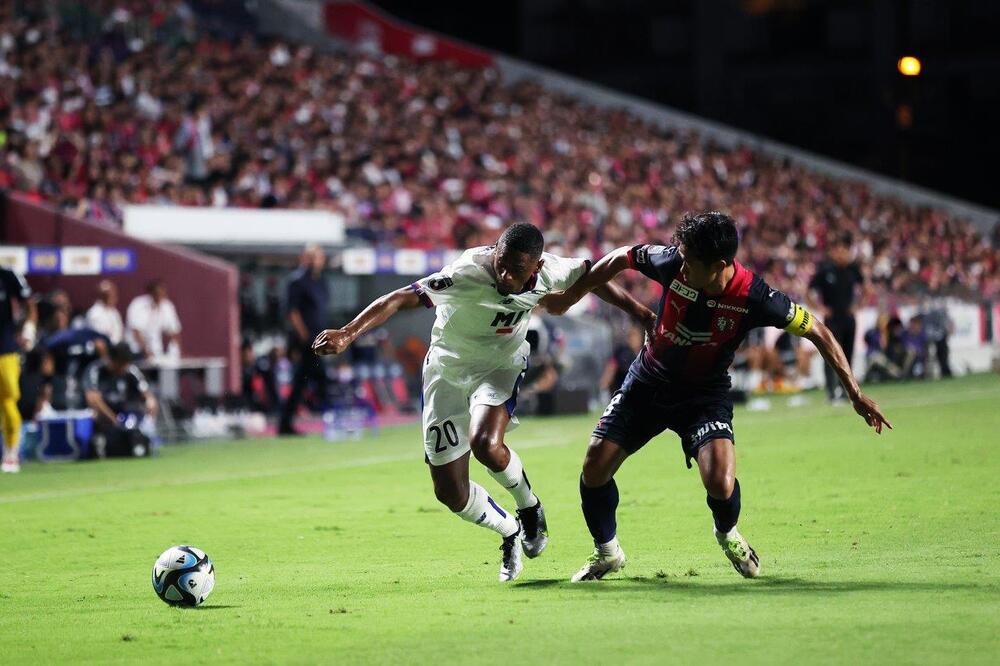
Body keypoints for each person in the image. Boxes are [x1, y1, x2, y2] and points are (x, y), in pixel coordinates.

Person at [543, 212, 890, 582]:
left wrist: (854, 393)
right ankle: (607, 552)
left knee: (721, 483)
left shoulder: (755, 297)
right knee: (594, 467)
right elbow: (620, 257)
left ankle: (727, 533)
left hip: (703, 396)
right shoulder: (672, 261)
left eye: (689, 262)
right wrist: (572, 296)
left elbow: (818, 330)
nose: (681, 266)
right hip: (648, 382)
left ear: (719, 266)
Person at [312, 223, 654, 582]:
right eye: (501, 264)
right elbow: (399, 298)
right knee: (450, 492)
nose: (505, 275)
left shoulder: (552, 270)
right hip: (446, 371)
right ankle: (508, 530)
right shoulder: (467, 272)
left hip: (500, 366)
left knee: (486, 444)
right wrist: (347, 332)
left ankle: (529, 507)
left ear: (536, 267)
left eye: (516, 270)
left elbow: (593, 275)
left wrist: (643, 314)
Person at [279, 244, 330, 435]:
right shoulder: (297, 281)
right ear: (306, 258)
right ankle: (325, 413)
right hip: (306, 342)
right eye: (315, 256)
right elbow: (292, 312)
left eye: (320, 256)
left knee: (303, 381)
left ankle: (287, 422)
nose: (319, 259)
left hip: (319, 340)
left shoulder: (321, 281)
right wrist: (305, 337)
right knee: (313, 378)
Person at [808, 234, 864, 402]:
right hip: (832, 320)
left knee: (848, 355)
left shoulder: (853, 269)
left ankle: (847, 391)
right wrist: (820, 308)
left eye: (845, 250)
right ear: (833, 252)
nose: (842, 254)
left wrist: (858, 305)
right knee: (831, 354)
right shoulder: (825, 270)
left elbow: (866, 288)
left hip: (848, 318)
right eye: (839, 250)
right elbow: (809, 291)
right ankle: (831, 391)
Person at [83, 342, 158, 457]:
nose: (124, 368)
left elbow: (148, 396)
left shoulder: (130, 370)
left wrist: (149, 413)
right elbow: (92, 399)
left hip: (127, 415)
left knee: (148, 407)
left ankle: (144, 439)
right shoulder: (96, 370)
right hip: (105, 417)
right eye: (121, 364)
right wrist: (114, 421)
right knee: (94, 414)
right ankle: (100, 445)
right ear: (113, 360)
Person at [0, 266, 36, 473]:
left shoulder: (7, 276)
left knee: (8, 401)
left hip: (5, 351)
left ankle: (11, 453)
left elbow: (29, 304)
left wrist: (28, 330)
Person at [126, 279, 182, 361]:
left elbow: (174, 332)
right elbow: (136, 332)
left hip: (156, 353)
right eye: (157, 294)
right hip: (135, 351)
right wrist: (147, 352)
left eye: (162, 294)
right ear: (150, 293)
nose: (159, 297)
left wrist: (176, 353)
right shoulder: (138, 304)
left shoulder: (167, 306)